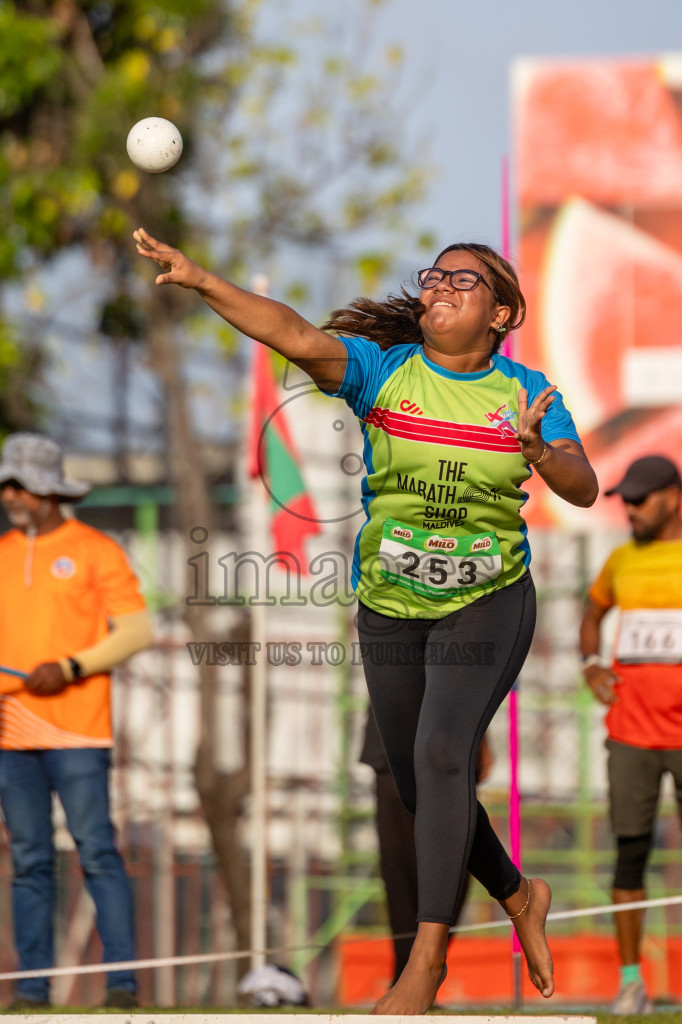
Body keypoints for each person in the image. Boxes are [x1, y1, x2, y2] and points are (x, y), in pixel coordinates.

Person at [133, 226, 598, 1013]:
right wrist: (204, 279)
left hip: (488, 597)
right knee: (417, 781)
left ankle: (424, 966)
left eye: (464, 281)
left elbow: (583, 486)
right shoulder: (383, 374)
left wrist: (540, 451)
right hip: (388, 601)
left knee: (446, 752)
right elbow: (294, 332)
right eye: (434, 277)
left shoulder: (527, 394)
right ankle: (520, 895)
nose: (440, 287)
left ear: (502, 314)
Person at [0, 433, 154, 1010]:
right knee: (29, 861)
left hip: (78, 733)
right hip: (11, 736)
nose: (12, 495)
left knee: (97, 853)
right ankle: (32, 990)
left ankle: (123, 985)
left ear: (51, 490)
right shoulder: (2, 553)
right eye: (7, 485)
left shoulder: (95, 550)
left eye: (23, 485)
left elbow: (138, 631)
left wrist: (69, 667)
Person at [579, 454, 682, 1016]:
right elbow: (591, 612)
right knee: (629, 857)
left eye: (641, 499)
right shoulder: (620, 562)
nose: (631, 510)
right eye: (626, 501)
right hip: (632, 735)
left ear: (673, 496)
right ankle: (630, 983)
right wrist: (591, 661)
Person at [360, 710, 493, 986]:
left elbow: (462, 678)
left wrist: (482, 738)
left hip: (450, 747)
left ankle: (417, 974)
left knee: (457, 865)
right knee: (401, 871)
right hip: (394, 746)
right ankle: (406, 977)